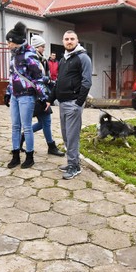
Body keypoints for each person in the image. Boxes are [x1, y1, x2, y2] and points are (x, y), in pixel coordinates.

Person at [3, 21, 47, 169]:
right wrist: (8, 92)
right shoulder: (13, 56)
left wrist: (42, 97)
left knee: (27, 127)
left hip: (27, 95)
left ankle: (29, 156)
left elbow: (38, 78)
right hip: (15, 95)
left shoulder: (29, 54)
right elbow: (12, 76)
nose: (8, 45)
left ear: (17, 42)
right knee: (15, 126)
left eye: (9, 42)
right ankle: (15, 155)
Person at [49, 30, 92, 180]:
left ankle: (74, 166)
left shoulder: (83, 58)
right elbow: (58, 82)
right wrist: (50, 98)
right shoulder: (63, 60)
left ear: (77, 40)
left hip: (73, 103)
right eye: (66, 39)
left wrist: (79, 103)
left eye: (72, 39)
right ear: (63, 41)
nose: (69, 41)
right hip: (62, 103)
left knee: (72, 137)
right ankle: (73, 162)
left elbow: (87, 82)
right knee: (66, 135)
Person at [27, 35, 64, 157]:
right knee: (46, 121)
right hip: (37, 95)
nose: (44, 48)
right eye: (42, 46)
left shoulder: (41, 59)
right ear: (36, 47)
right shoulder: (32, 59)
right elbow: (34, 77)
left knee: (43, 122)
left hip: (42, 93)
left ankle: (23, 136)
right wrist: (47, 79)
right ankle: (51, 146)